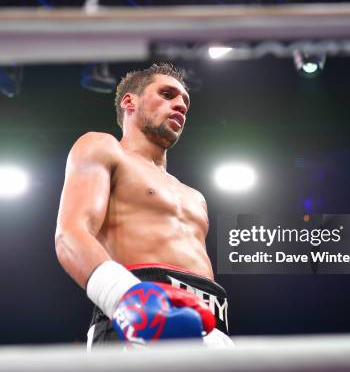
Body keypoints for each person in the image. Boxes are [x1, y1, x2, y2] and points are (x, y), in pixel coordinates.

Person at [54, 63, 232, 349]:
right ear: (129, 101)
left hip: (212, 329)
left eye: (185, 101)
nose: (180, 105)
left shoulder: (195, 196)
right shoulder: (103, 147)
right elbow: (70, 234)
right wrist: (126, 297)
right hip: (133, 317)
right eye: (167, 94)